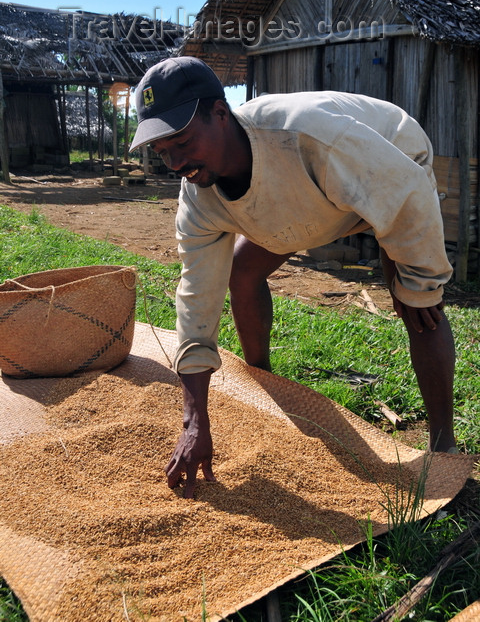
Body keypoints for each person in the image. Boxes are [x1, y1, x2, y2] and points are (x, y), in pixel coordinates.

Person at [130, 56, 457, 498]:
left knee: (417, 304)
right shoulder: (199, 199)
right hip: (306, 203)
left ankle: (443, 442)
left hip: (386, 175)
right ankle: (265, 380)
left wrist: (418, 280)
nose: (175, 162)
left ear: (220, 113)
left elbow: (407, 196)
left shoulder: (309, 136)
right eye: (162, 151)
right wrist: (193, 421)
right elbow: (197, 300)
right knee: (241, 273)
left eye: (183, 141)